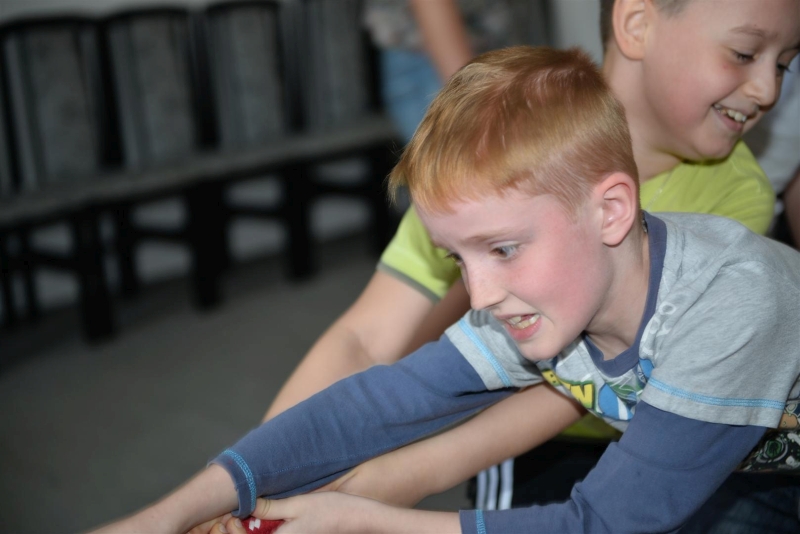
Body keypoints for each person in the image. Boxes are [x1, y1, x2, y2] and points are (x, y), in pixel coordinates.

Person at [93, 45, 800, 534]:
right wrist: (168, 513)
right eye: (458, 259)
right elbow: (373, 405)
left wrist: (371, 521)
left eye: (502, 248)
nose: (480, 294)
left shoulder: (729, 306)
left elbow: (609, 522)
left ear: (611, 210)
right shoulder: (545, 298)